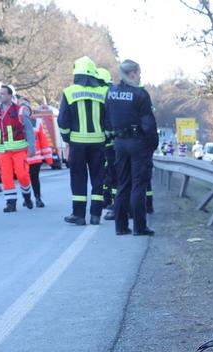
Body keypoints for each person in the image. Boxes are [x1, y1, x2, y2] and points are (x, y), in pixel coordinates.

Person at [106, 59, 158, 236]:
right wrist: (153, 144)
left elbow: (107, 117)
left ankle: (120, 227)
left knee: (123, 184)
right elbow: (148, 124)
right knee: (139, 185)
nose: (140, 76)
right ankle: (139, 226)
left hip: (119, 142)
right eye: (139, 73)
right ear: (132, 74)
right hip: (138, 143)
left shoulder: (111, 92)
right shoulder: (140, 94)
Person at [57, 56, 109, 225]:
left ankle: (79, 215)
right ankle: (95, 215)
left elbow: (63, 120)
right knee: (98, 178)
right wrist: (106, 134)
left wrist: (67, 137)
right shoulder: (103, 92)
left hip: (77, 143)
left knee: (78, 178)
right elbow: (109, 119)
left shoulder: (69, 92)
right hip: (98, 143)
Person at [0, 84, 36, 212]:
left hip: (19, 149)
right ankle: (10, 203)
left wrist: (32, 148)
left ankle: (27, 196)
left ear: (10, 96)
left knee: (22, 174)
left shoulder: (19, 110)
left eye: (3, 94)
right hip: (2, 150)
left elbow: (29, 130)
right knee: (6, 176)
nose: (0, 96)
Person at [95, 67, 118, 221]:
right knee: (115, 175)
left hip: (101, 142)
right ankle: (115, 203)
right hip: (115, 142)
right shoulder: (113, 93)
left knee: (105, 175)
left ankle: (107, 201)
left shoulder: (98, 94)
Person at [24, 108, 53, 208]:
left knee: (34, 178)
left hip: (35, 157)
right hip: (21, 157)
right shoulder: (16, 123)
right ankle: (27, 198)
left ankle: (37, 198)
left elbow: (43, 140)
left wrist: (48, 158)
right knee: (24, 179)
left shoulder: (37, 122)